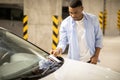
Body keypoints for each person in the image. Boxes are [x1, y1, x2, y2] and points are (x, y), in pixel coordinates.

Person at [50, 0, 103, 64]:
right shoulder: (65, 23)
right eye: (70, 12)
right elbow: (63, 41)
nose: (73, 15)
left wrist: (96, 56)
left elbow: (99, 39)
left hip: (91, 60)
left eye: (75, 12)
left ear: (82, 9)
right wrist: (57, 50)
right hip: (74, 62)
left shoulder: (92, 19)